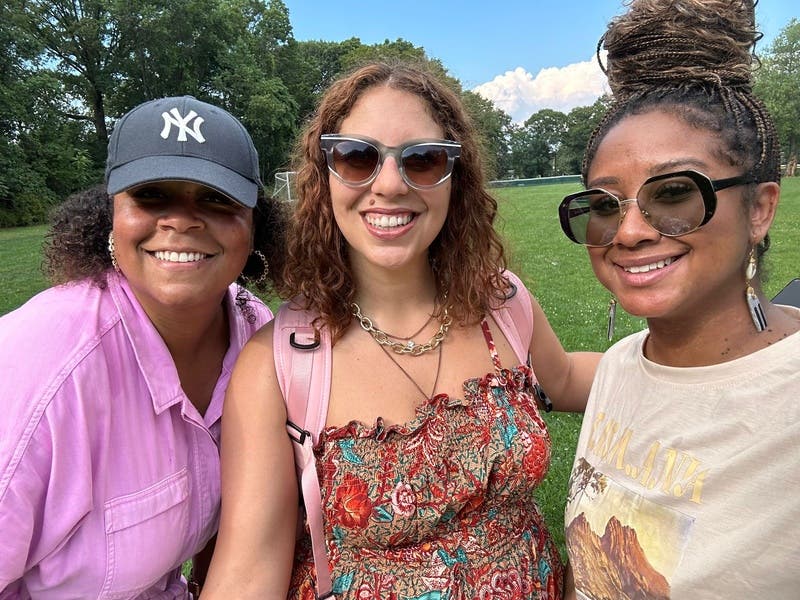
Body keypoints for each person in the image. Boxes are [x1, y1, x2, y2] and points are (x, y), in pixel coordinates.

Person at [202, 62, 600, 599]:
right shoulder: (278, 364)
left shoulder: (501, 303)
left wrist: (689, 365)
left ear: (455, 177)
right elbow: (248, 573)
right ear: (325, 174)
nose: (389, 184)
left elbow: (568, 378)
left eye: (423, 159)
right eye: (357, 156)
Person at [558, 1, 800, 598]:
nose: (629, 232)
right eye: (605, 205)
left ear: (760, 208)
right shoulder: (620, 366)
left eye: (673, 193)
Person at [0, 95, 286, 598]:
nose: (181, 221)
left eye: (215, 198)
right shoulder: (40, 366)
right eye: (151, 195)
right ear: (110, 216)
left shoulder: (254, 332)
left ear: (253, 225)